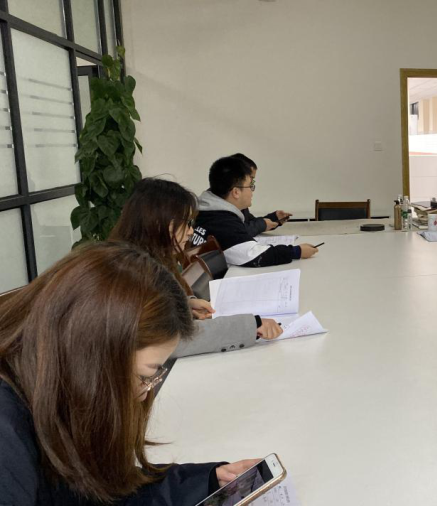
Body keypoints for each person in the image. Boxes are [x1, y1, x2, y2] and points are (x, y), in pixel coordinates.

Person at [0, 242, 260, 504]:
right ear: (94, 355)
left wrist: (206, 483)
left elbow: (86, 492)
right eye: (144, 377)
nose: (143, 394)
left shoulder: (46, 392)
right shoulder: (7, 437)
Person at [109, 178, 283, 357]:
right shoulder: (130, 275)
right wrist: (252, 325)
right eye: (186, 223)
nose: (191, 231)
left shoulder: (143, 259)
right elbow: (169, 340)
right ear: (161, 223)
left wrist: (186, 303)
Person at [193, 155, 318, 266]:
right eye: (250, 185)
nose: (252, 191)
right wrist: (297, 251)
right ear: (236, 192)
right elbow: (255, 255)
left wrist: (272, 218)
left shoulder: (212, 212)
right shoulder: (222, 221)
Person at [232, 153, 292, 236]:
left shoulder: (240, 204)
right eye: (251, 179)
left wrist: (274, 218)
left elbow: (250, 222)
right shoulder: (222, 206)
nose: (251, 186)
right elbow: (237, 231)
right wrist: (263, 225)